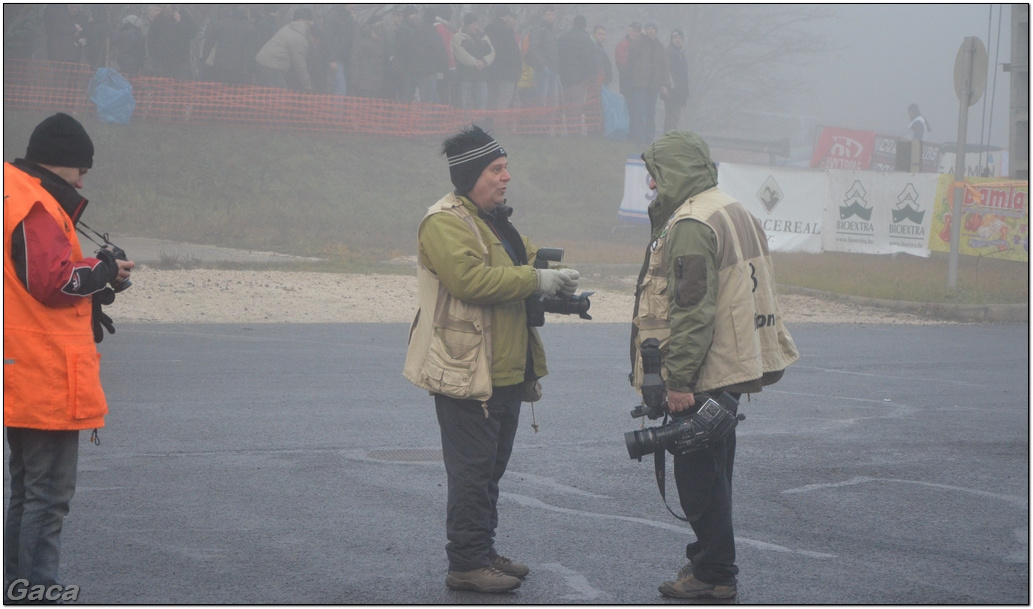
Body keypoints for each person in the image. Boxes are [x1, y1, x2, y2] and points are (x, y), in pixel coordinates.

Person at [404, 125, 579, 594]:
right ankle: (465, 563)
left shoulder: (492, 219)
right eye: (496, 170)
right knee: (471, 472)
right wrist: (536, 281)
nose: (506, 177)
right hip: (466, 370)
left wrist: (553, 274)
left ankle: (482, 551)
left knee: (490, 471)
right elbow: (470, 281)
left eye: (505, 168)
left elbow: (515, 260)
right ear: (469, 175)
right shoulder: (443, 221)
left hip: (502, 368)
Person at [631, 131, 798, 600]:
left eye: (657, 172)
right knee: (716, 474)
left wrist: (679, 380)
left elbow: (692, 307)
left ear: (676, 172)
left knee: (699, 479)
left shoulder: (690, 223)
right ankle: (709, 564)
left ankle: (714, 574)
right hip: (731, 363)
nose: (650, 182)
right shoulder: (730, 207)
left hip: (703, 370)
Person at [4, 113, 135, 601]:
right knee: (48, 495)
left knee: (28, 491)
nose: (84, 180)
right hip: (44, 373)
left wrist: (100, 275)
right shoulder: (35, 203)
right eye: (82, 170)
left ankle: (16, 586)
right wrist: (102, 270)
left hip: (22, 365)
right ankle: (34, 591)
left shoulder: (13, 191)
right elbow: (54, 281)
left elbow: (39, 275)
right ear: (63, 164)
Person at [626, 22, 669, 147]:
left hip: (653, 85)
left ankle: (649, 138)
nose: (651, 31)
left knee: (651, 112)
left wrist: (664, 83)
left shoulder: (660, 47)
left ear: (656, 31)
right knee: (640, 111)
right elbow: (633, 50)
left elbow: (664, 67)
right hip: (640, 84)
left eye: (653, 29)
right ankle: (639, 138)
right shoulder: (639, 42)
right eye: (648, 29)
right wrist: (641, 36)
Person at [254, 7, 315, 91]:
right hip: (271, 66)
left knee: (268, 95)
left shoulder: (289, 27)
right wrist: (308, 87)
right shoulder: (299, 38)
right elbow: (299, 65)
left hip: (261, 62)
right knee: (281, 96)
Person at [557, 15, 598, 135]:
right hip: (579, 78)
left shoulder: (562, 38)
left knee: (567, 103)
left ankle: (568, 128)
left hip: (564, 77)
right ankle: (574, 130)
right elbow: (589, 60)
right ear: (584, 25)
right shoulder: (586, 39)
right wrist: (590, 76)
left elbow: (557, 56)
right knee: (577, 105)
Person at [451, 13, 495, 111]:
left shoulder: (484, 37)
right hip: (465, 77)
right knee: (465, 107)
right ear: (466, 25)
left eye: (477, 24)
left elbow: (492, 52)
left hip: (481, 77)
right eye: (473, 24)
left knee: (482, 106)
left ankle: (479, 125)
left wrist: (484, 62)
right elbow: (460, 54)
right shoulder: (458, 37)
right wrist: (475, 63)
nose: (476, 27)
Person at [203, 5, 255, 86]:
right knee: (232, 88)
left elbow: (209, 40)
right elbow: (250, 49)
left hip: (219, 61)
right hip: (237, 65)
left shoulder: (222, 22)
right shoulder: (250, 28)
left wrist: (205, 56)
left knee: (218, 86)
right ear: (247, 15)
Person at [483, 8, 522, 110]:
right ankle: (500, 126)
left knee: (490, 103)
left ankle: (488, 125)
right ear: (506, 16)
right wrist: (517, 71)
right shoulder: (508, 31)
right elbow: (514, 53)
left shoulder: (487, 29)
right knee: (503, 106)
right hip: (506, 74)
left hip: (489, 72)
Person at [147, 4, 198, 80]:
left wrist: (180, 22)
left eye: (167, 8)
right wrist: (155, 57)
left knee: (179, 88)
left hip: (181, 62)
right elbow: (151, 40)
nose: (165, 10)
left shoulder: (183, 15)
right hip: (162, 63)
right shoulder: (158, 19)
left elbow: (192, 33)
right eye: (163, 7)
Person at [663, 29, 689, 133]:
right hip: (672, 91)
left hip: (680, 92)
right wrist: (667, 87)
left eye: (680, 38)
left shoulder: (681, 55)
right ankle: (669, 142)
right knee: (671, 118)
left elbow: (684, 77)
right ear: (671, 40)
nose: (678, 40)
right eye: (675, 38)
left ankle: (669, 140)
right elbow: (666, 72)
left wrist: (685, 92)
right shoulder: (669, 53)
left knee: (674, 118)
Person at [614, 22, 641, 96]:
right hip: (628, 84)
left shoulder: (643, 45)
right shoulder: (622, 45)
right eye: (634, 31)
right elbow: (622, 65)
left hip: (641, 84)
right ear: (629, 31)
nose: (636, 34)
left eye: (638, 31)